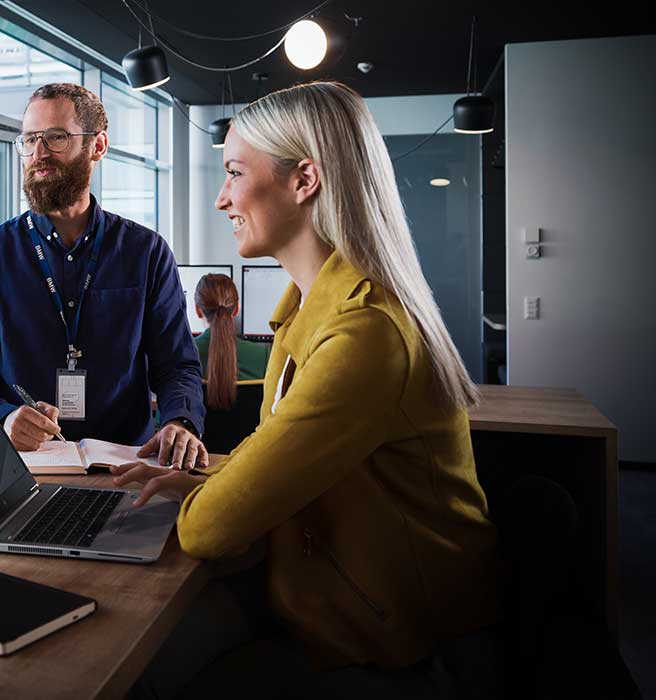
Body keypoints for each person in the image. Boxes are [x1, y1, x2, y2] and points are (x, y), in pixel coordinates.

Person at [114, 82, 503, 697]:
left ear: (305, 181)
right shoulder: (303, 312)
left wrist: (206, 496)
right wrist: (212, 481)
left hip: (402, 643)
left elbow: (207, 531)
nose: (221, 199)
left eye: (235, 173)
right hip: (326, 591)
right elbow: (272, 451)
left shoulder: (365, 333)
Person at [0, 83, 207, 470]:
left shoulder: (146, 252)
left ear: (97, 146)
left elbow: (177, 366)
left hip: (127, 468)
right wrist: (4, 417)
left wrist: (180, 422)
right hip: (23, 471)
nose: (38, 153)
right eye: (31, 139)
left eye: (56, 137)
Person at [192, 273, 269, 410]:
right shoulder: (262, 355)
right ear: (236, 310)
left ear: (198, 311)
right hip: (253, 432)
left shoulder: (184, 354)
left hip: (197, 432)